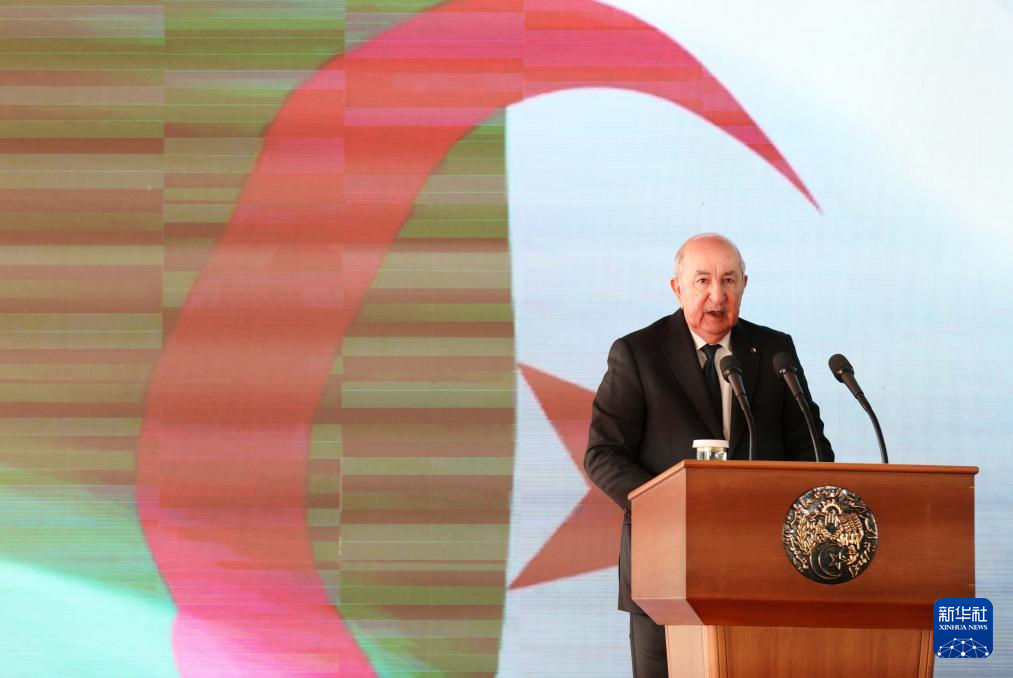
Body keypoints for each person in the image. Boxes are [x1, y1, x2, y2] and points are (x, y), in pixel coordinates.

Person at [584, 233, 833, 677]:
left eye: (729, 280)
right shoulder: (638, 353)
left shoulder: (774, 351)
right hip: (664, 565)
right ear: (677, 287)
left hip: (763, 565)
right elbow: (604, 454)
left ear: (744, 286)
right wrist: (668, 506)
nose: (717, 295)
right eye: (702, 281)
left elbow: (812, 451)